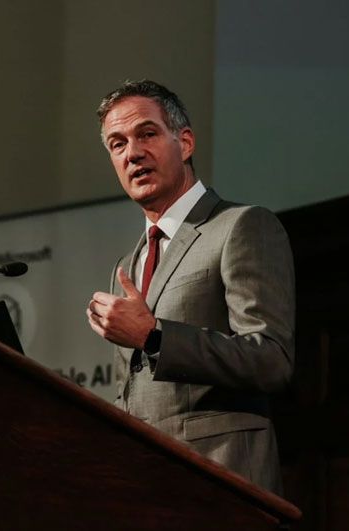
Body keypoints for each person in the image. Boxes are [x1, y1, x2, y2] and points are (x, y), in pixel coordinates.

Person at [86, 80, 295, 494]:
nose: (133, 153)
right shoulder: (128, 264)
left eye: (146, 133)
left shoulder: (241, 226)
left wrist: (154, 336)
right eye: (117, 144)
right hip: (144, 488)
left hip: (220, 483)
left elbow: (271, 359)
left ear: (185, 142)